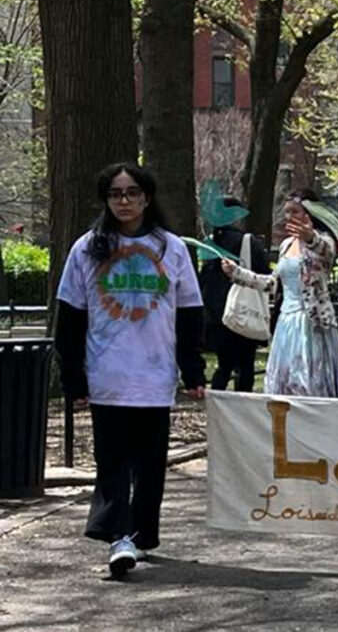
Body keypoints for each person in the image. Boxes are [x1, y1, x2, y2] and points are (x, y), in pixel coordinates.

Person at [54, 163, 206, 577]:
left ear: (146, 197)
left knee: (151, 466)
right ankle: (118, 537)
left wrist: (192, 371)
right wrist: (73, 377)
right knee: (113, 463)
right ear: (106, 200)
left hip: (156, 376)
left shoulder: (171, 248)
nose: (124, 201)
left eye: (132, 192)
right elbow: (69, 318)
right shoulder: (87, 248)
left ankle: (139, 535)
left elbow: (190, 313)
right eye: (116, 194)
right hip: (108, 376)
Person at [222, 189, 338, 398]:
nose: (289, 217)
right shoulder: (286, 245)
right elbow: (273, 284)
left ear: (309, 213)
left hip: (311, 322)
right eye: (287, 212)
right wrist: (237, 273)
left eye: (295, 212)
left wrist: (310, 238)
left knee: (309, 382)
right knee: (285, 382)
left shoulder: (324, 241)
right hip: (286, 322)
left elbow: (327, 251)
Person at [199, 196, 271, 392]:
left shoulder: (209, 244)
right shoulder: (247, 242)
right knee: (245, 366)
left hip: (217, 314)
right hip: (243, 310)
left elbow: (203, 279)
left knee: (223, 366)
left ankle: (216, 407)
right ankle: (242, 408)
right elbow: (264, 274)